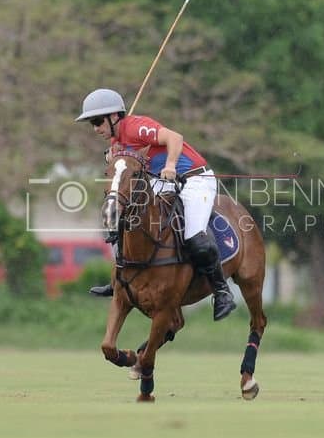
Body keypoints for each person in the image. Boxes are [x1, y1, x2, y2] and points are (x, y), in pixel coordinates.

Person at [75, 88, 236, 321]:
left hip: (195, 178)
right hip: (162, 181)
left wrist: (170, 165)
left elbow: (175, 138)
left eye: (98, 121)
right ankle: (119, 279)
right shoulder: (116, 140)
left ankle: (222, 291)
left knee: (194, 235)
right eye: (92, 123)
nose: (95, 128)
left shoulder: (136, 126)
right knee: (125, 217)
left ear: (114, 117)